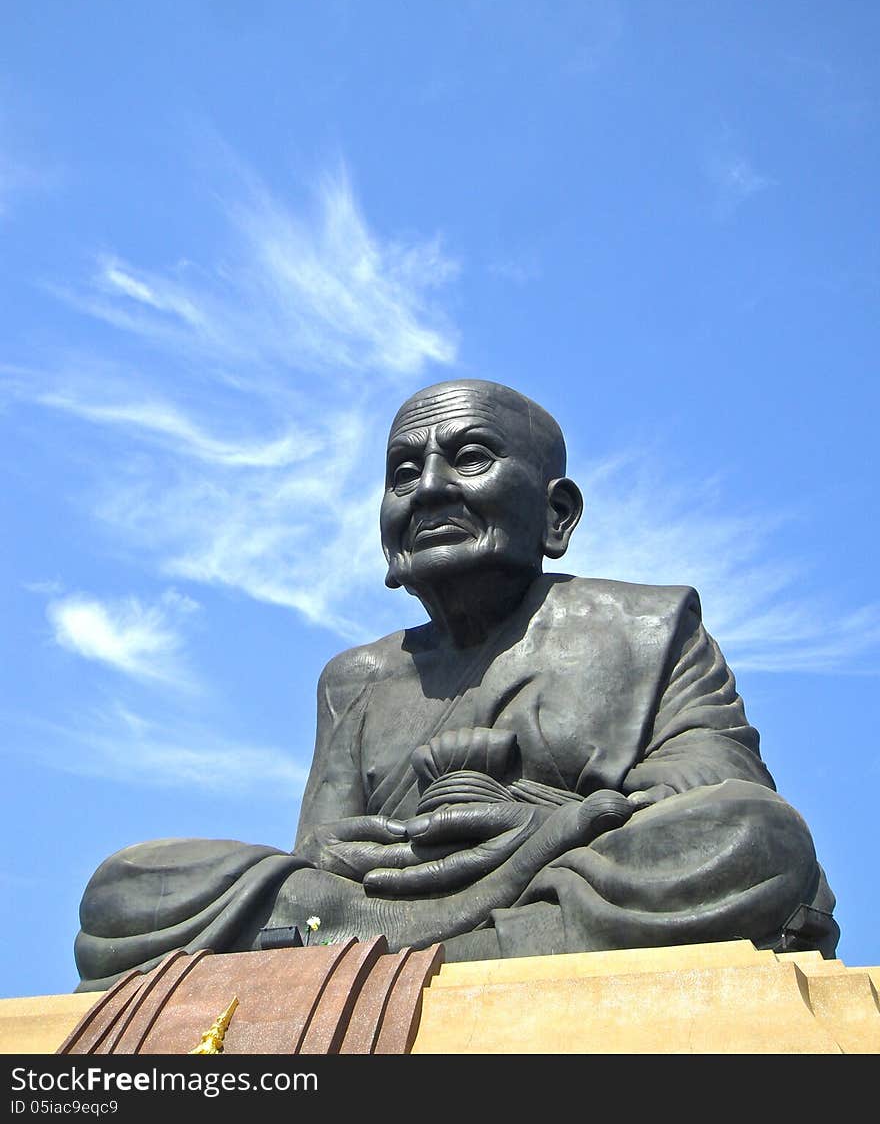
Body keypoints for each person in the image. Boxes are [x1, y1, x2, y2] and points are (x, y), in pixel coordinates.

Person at [74, 380, 837, 991]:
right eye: (403, 472)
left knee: (755, 836)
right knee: (127, 885)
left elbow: (716, 785)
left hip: (554, 886)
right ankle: (444, 956)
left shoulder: (648, 625)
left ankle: (433, 961)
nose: (429, 488)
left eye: (468, 457)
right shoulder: (356, 679)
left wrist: (536, 824)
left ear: (556, 512)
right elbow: (318, 858)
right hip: (369, 909)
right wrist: (353, 863)